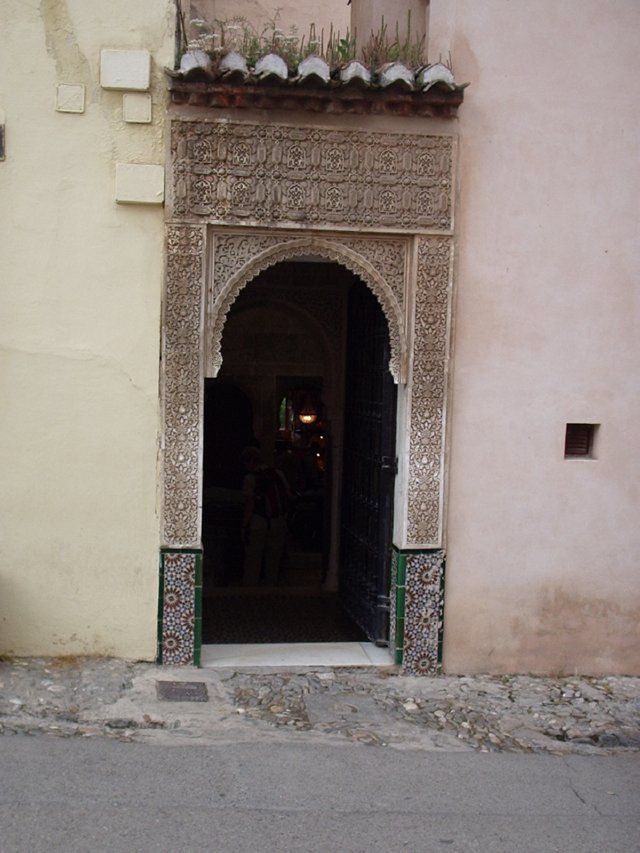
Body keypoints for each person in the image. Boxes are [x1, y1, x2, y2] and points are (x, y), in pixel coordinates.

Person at [239, 447, 290, 586]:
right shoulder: (278, 474)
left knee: (253, 561)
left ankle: (250, 592)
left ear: (249, 462)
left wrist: (244, 526)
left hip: (258, 523)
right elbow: (287, 496)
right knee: (273, 562)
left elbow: (249, 504)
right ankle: (270, 590)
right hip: (278, 522)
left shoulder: (250, 478)